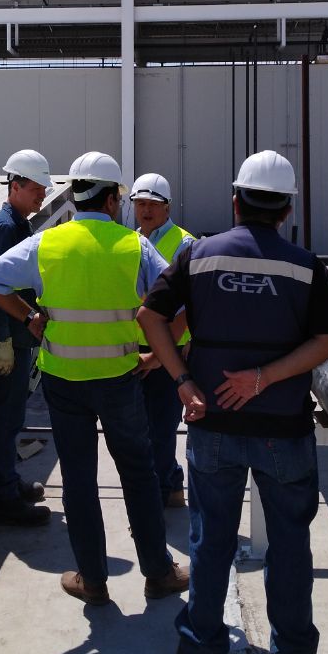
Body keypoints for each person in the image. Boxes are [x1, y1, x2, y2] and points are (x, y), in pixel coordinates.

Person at [137, 151, 328, 654]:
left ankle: (203, 650)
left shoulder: (199, 256)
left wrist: (182, 382)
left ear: (236, 202)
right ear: (286, 210)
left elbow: (150, 317)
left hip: (213, 425)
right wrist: (266, 378)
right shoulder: (305, 267)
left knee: (212, 544)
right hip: (284, 429)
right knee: (290, 548)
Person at [0, 151, 190, 606]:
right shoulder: (135, 247)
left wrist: (30, 315)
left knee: (78, 479)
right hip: (120, 377)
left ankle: (92, 580)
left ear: (73, 196)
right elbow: (180, 306)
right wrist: (156, 357)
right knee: (138, 472)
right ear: (114, 199)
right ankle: (158, 572)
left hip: (62, 381)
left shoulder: (47, 243)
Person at [0, 149, 53, 527]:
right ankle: (2, 496)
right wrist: (2, 340)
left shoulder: (15, 224)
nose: (42, 196)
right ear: (15, 185)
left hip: (18, 336)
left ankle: (7, 482)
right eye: (36, 189)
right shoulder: (6, 227)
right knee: (6, 416)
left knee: (12, 415)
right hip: (11, 339)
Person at [129, 172, 193, 507]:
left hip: (167, 352)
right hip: (135, 351)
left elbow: (186, 310)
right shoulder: (130, 241)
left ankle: (162, 492)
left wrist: (159, 356)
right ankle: (167, 486)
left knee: (162, 428)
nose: (145, 210)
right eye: (140, 203)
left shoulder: (184, 245)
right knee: (141, 429)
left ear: (167, 208)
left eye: (152, 204)